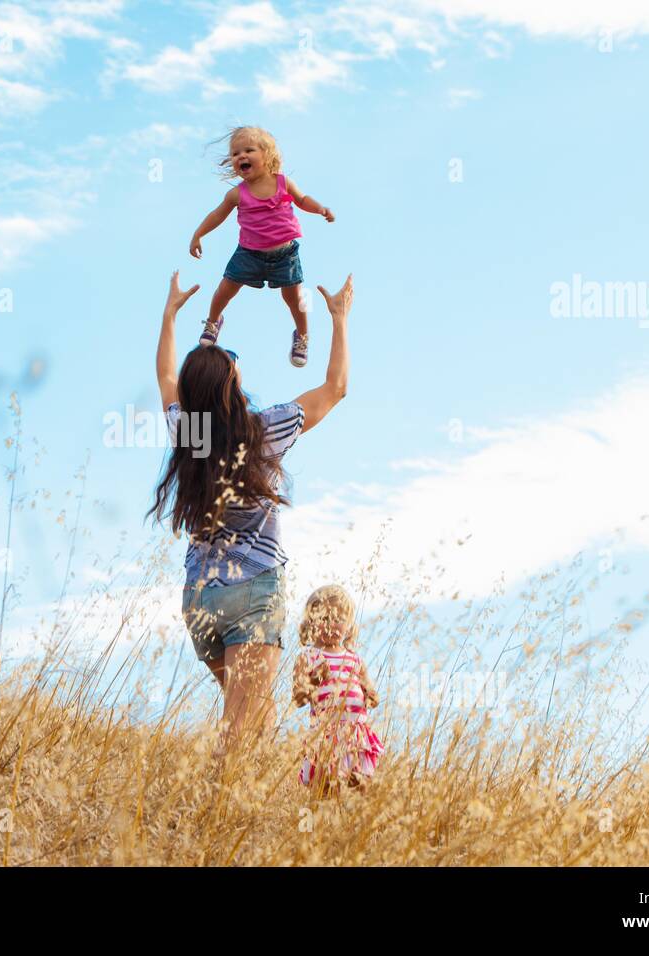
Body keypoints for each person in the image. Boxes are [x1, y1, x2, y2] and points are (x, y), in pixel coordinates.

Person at [149, 268, 354, 746]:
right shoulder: (263, 432)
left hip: (200, 599)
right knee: (241, 731)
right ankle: (212, 815)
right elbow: (335, 388)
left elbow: (164, 378)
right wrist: (339, 319)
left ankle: (249, 812)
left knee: (257, 720)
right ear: (231, 389)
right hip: (252, 594)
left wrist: (169, 316)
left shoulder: (189, 434)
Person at [188, 125, 336, 368]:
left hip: (284, 255)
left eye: (249, 150)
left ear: (266, 155)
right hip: (249, 254)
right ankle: (213, 322)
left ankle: (302, 336)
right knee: (225, 289)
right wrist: (198, 234)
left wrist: (320, 208)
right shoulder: (237, 195)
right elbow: (217, 215)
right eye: (236, 154)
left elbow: (301, 200)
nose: (241, 156)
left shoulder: (283, 184)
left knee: (294, 297)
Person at [292, 585, 385, 792]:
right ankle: (321, 823)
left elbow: (373, 696)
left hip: (355, 735)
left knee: (361, 788)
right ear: (311, 621)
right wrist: (313, 681)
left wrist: (369, 695)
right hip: (326, 735)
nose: (331, 625)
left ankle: (355, 824)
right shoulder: (308, 656)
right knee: (324, 790)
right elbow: (298, 698)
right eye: (324, 619)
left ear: (348, 624)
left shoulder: (355, 659)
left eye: (338, 619)